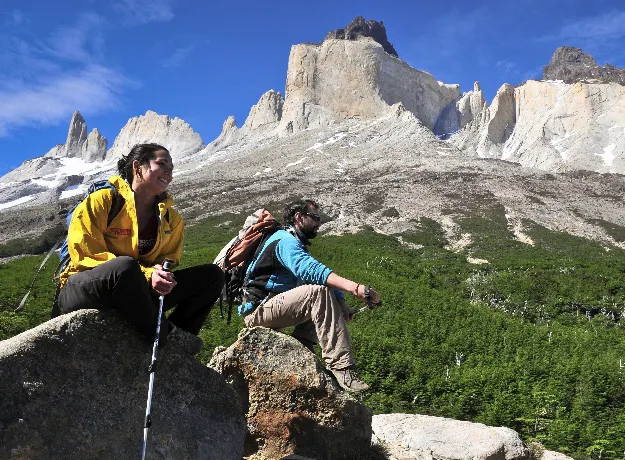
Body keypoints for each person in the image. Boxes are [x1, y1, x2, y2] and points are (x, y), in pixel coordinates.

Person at [56, 143, 223, 348]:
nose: (168, 172)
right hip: (83, 287)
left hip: (135, 292)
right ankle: (162, 334)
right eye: (162, 164)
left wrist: (161, 276)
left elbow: (169, 260)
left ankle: (180, 339)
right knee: (125, 267)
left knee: (212, 276)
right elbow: (85, 255)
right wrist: (146, 274)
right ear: (138, 167)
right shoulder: (103, 200)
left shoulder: (171, 218)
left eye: (171, 168)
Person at [240, 199, 381, 391]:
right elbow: (308, 269)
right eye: (315, 217)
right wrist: (354, 288)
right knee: (318, 293)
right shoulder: (284, 240)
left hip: (271, 307)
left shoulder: (293, 241)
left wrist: (342, 305)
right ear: (299, 217)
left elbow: (318, 276)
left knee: (321, 289)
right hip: (258, 311)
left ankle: (302, 350)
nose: (318, 222)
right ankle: (342, 367)